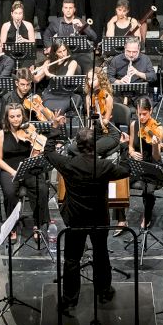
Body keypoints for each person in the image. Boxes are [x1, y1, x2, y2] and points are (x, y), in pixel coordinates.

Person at [46, 127, 131, 310]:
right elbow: (125, 170)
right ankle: (104, 292)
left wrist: (54, 130)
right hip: (98, 217)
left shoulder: (68, 164)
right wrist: (124, 147)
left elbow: (49, 152)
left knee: (72, 259)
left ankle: (70, 300)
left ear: (77, 145)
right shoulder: (104, 166)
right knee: (101, 254)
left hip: (75, 218)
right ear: (96, 145)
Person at [0, 104, 51, 242]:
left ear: (22, 116)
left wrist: (37, 149)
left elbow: (38, 149)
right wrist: (13, 171)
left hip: (28, 167)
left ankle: (38, 224)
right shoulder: (2, 134)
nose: (16, 119)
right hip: (9, 169)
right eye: (12, 116)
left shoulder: (29, 129)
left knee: (42, 189)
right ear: (7, 118)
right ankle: (12, 226)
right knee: (10, 193)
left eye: (18, 116)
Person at [127, 97, 163, 229]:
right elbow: (131, 146)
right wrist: (132, 153)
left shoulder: (158, 129)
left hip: (152, 165)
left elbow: (157, 157)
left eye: (144, 114)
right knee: (119, 182)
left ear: (151, 111)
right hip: (137, 164)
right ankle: (121, 219)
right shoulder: (134, 125)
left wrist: (155, 146)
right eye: (139, 114)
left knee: (148, 190)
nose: (141, 117)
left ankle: (147, 215)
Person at [35, 40, 81, 117]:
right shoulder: (49, 62)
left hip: (65, 94)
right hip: (51, 94)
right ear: (55, 53)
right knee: (44, 107)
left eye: (64, 50)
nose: (63, 54)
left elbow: (66, 79)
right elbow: (37, 79)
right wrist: (30, 75)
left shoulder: (72, 62)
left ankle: (57, 122)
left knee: (59, 109)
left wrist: (49, 74)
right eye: (60, 52)